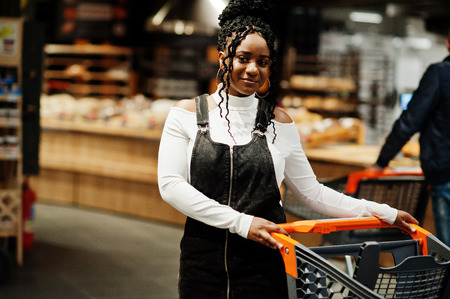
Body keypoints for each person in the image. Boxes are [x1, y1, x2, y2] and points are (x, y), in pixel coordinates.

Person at [157, 0, 417, 298]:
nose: (252, 69)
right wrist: (242, 223)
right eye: (243, 58)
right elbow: (171, 186)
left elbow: (312, 193)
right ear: (222, 58)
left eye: (263, 62)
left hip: (265, 264)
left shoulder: (278, 122)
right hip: (201, 263)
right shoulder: (187, 114)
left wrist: (384, 212)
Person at [370, 28, 450, 247]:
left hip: (445, 173)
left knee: (448, 251)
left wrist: (382, 161)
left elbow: (411, 119)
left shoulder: (441, 73)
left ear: (447, 43)